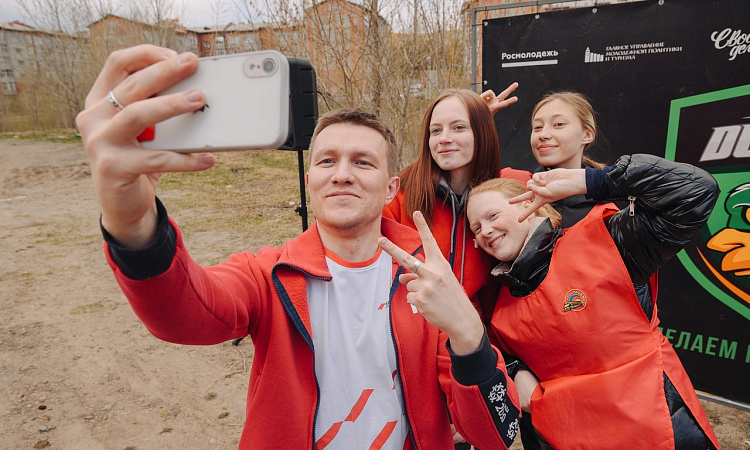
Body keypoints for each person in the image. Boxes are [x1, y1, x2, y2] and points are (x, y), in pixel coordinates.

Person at [75, 44, 522, 450]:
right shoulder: (268, 274)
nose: (342, 174)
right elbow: (181, 316)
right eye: (327, 160)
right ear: (310, 181)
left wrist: (469, 333)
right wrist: (133, 222)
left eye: (362, 162)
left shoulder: (427, 280)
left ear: (391, 188)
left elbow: (496, 435)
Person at [382, 154, 721, 449]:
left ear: (529, 205)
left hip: (658, 430)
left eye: (493, 216)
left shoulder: (608, 240)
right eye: (476, 228)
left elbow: (697, 191)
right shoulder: (500, 308)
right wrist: (514, 378)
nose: (484, 231)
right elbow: (493, 368)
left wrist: (593, 180)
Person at [384, 87, 531, 326]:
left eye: (459, 127)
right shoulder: (399, 197)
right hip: (410, 333)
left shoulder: (509, 190)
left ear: (482, 132)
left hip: (472, 336)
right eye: (436, 130)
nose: (444, 138)